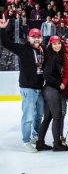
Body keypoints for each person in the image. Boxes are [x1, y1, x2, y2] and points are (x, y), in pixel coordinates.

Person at [0, 15, 44, 153]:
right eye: (33, 36)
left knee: (39, 115)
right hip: (28, 89)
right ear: (29, 38)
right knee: (28, 116)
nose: (36, 39)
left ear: (41, 38)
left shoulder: (43, 51)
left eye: (38, 36)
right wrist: (2, 29)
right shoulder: (22, 49)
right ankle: (26, 141)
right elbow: (5, 43)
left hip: (40, 88)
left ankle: (35, 136)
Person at [36, 36, 68, 152]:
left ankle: (40, 142)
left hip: (49, 90)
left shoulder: (54, 56)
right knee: (57, 117)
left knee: (47, 117)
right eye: (54, 44)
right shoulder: (52, 57)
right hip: (51, 90)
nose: (57, 46)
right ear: (50, 45)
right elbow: (47, 75)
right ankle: (57, 144)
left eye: (59, 43)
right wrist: (59, 84)